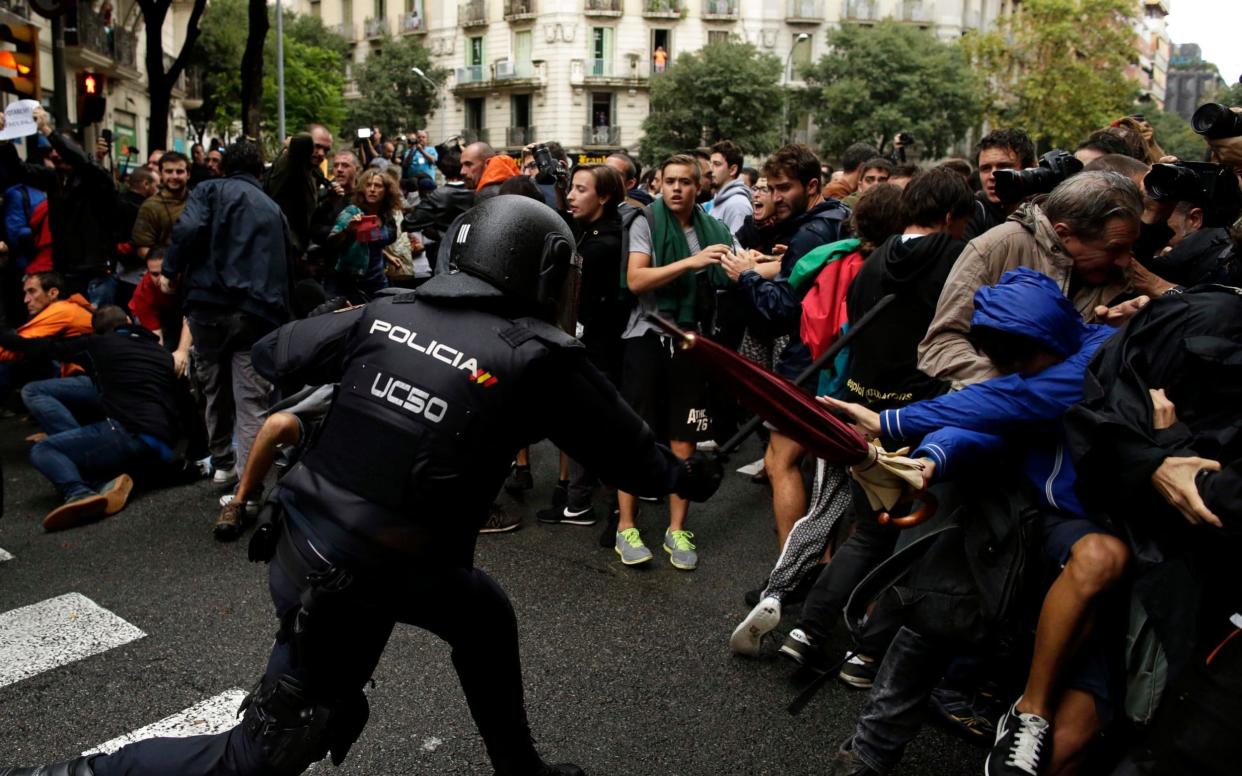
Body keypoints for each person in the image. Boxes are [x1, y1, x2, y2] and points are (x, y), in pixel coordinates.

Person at [0, 196, 724, 776]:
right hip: (356, 576)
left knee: (482, 614)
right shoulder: (540, 357)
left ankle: (518, 766)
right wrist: (693, 472)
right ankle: (86, 770)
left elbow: (272, 354)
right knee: (260, 755)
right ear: (545, 274)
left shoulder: (388, 310)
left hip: (322, 550)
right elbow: (637, 461)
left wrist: (365, 352)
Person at [819, 267, 1121, 776]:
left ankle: (1020, 711)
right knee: (934, 611)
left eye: (1025, 356)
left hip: (1086, 530)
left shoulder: (1100, 358)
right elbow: (993, 425)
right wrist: (933, 456)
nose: (1019, 371)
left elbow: (1008, 404)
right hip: (1014, 517)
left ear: (1051, 335)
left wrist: (890, 421)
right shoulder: (1031, 377)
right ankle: (870, 750)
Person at [720, 144, 848, 550]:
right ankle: (819, 562)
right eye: (771, 188)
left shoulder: (812, 230)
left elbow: (784, 311)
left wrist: (747, 276)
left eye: (784, 188)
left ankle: (792, 569)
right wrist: (781, 264)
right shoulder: (837, 218)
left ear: (812, 185)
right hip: (832, 357)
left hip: (809, 360)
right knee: (818, 468)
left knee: (782, 463)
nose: (774, 198)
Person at [613, 153, 732, 570]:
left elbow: (735, 269)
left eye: (685, 181)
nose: (677, 188)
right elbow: (636, 279)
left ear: (698, 187)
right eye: (670, 181)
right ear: (659, 184)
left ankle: (675, 529)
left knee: (685, 437)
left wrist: (765, 265)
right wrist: (691, 262)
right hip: (646, 337)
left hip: (690, 340)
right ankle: (626, 526)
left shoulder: (712, 227)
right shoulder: (646, 221)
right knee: (636, 433)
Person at [920, 171, 1144, 389]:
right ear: (1063, 233)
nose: (1125, 261)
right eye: (1115, 249)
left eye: (1130, 247)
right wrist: (1011, 388)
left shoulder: (1121, 274)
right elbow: (941, 344)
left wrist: (1116, 332)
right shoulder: (998, 248)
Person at [161, 139, 292, 487]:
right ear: (258, 168)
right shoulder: (272, 208)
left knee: (213, 387)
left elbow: (188, 229)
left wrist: (170, 270)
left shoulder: (209, 191)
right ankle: (248, 487)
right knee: (251, 399)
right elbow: (285, 266)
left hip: (210, 306)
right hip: (256, 313)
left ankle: (222, 462)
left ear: (224, 165)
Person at [8, 305, 197, 531]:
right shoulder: (161, 353)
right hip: (164, 446)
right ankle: (125, 477)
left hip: (130, 433)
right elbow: (187, 405)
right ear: (128, 320)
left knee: (45, 451)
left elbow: (44, 348)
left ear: (97, 331)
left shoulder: (97, 344)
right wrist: (198, 455)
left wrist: (5, 338)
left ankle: (80, 492)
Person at [536, 164, 629, 526]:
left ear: (604, 197)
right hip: (598, 346)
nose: (571, 196)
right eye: (570, 188)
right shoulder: (598, 231)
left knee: (589, 426)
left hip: (597, 349)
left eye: (580, 189)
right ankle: (584, 502)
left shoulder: (601, 244)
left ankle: (592, 505)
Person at [0, 272, 94, 397]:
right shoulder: (68, 307)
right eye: (26, 293)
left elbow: (14, 345)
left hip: (98, 383)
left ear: (53, 293)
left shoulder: (61, 310)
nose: (26, 300)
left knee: (31, 391)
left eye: (32, 291)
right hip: (99, 379)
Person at [325, 168, 399, 299]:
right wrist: (348, 230)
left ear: (386, 192)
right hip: (354, 283)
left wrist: (386, 255)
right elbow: (331, 243)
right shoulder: (352, 212)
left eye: (377, 186)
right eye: (368, 185)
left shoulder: (384, 216)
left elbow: (370, 242)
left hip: (379, 281)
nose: (372, 189)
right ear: (362, 190)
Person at [965, 128, 1037, 241]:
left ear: (1030, 169)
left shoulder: (1046, 211)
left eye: (1003, 167)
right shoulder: (968, 213)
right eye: (985, 168)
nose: (992, 176)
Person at [708, 139, 752, 234]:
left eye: (716, 164)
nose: (710, 169)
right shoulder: (719, 201)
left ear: (732, 170)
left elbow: (736, 247)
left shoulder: (737, 205)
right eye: (710, 164)